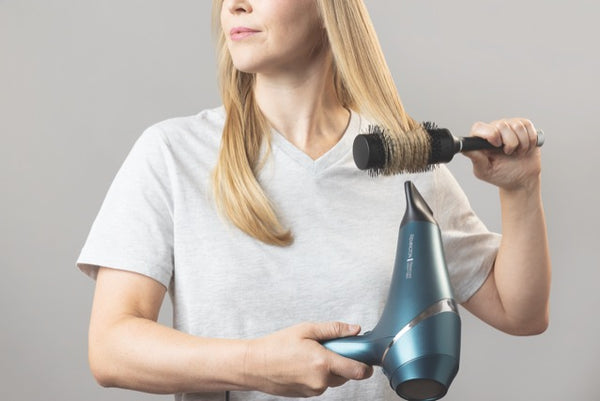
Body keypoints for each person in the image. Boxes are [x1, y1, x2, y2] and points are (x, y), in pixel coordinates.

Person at [77, 1, 551, 400]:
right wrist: (252, 364)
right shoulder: (172, 154)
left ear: (329, 10)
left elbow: (520, 312)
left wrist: (521, 190)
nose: (235, 3)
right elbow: (111, 348)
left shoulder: (408, 160)